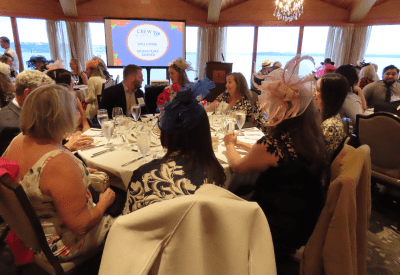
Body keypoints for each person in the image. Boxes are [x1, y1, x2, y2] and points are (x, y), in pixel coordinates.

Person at [223, 55, 329, 273]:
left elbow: (237, 166)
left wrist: (229, 144)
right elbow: (262, 153)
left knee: (221, 195)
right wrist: (242, 142)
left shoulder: (272, 144)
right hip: (306, 217)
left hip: (274, 226)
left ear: (280, 109)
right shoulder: (311, 137)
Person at [2, 84, 116, 260]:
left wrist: (77, 173)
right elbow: (81, 225)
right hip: (60, 243)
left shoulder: (18, 140)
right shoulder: (59, 161)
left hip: (31, 231)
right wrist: (103, 203)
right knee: (122, 205)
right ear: (62, 116)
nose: (78, 114)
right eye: (75, 109)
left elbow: (39, 177)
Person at [123, 78, 225, 214]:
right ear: (204, 132)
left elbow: (127, 224)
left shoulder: (144, 175)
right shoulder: (217, 175)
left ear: (166, 134)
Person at [0, 70, 89, 155]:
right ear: (28, 93)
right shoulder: (10, 125)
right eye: (44, 93)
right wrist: (67, 147)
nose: (49, 97)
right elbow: (25, 162)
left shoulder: (35, 109)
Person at [48, 68, 91, 133]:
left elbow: (85, 123)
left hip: (79, 136)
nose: (73, 85)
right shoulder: (50, 104)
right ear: (62, 85)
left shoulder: (75, 99)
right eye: (70, 82)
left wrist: (86, 134)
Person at [314, 73, 348, 153]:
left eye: (318, 90)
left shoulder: (331, 125)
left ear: (330, 96)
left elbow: (316, 155)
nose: (314, 94)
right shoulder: (323, 115)